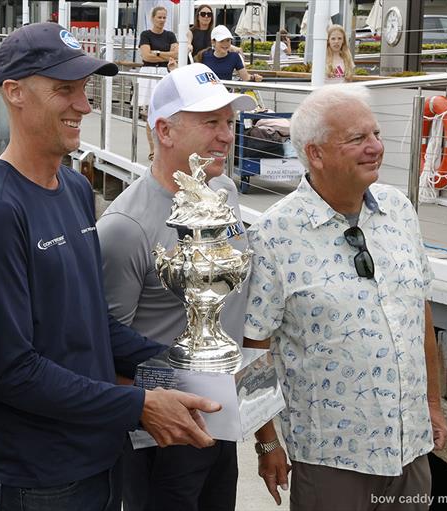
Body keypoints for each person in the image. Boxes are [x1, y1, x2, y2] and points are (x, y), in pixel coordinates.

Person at [0, 22, 222, 511]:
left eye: (84, 89)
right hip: (43, 475)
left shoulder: (76, 188)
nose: (85, 104)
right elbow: (11, 371)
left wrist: (189, 366)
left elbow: (92, 326)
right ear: (13, 93)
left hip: (102, 453)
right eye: (65, 90)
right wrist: (139, 405)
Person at [243, 85, 447, 510]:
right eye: (357, 139)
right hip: (332, 460)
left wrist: (432, 403)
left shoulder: (399, 210)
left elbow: (419, 314)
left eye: (375, 134)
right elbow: (255, 349)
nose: (375, 147)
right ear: (315, 154)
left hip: (410, 447)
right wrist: (266, 444)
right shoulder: (272, 235)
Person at [98, 63, 257, 511]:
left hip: (221, 416)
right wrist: (160, 404)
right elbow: (104, 349)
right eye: (211, 123)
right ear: (164, 131)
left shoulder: (223, 191)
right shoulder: (126, 227)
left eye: (229, 122)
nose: (227, 135)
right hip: (162, 434)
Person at [139, 6, 179, 160]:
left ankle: (165, 147)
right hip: (149, 73)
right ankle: (153, 149)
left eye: (164, 17)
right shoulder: (146, 34)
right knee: (150, 113)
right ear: (152, 18)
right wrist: (164, 55)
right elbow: (146, 56)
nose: (162, 20)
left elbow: (175, 54)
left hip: (164, 73)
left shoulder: (170, 35)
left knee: (166, 112)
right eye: (159, 17)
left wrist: (156, 53)